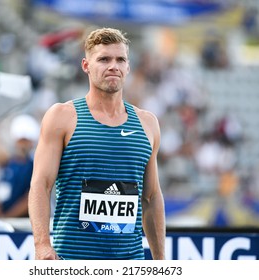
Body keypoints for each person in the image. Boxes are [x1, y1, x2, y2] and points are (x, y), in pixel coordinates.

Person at [28, 27, 165, 260]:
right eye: (103, 59)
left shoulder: (147, 123)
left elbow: (151, 197)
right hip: (73, 261)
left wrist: (160, 263)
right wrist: (42, 245)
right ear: (86, 66)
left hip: (130, 264)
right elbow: (40, 185)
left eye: (120, 59)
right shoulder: (62, 116)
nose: (114, 66)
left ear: (128, 67)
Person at [0, 114, 39, 218]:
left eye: (26, 140)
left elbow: (31, 196)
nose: (22, 144)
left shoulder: (33, 165)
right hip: (6, 219)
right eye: (21, 140)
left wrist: (8, 217)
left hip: (23, 222)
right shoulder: (10, 164)